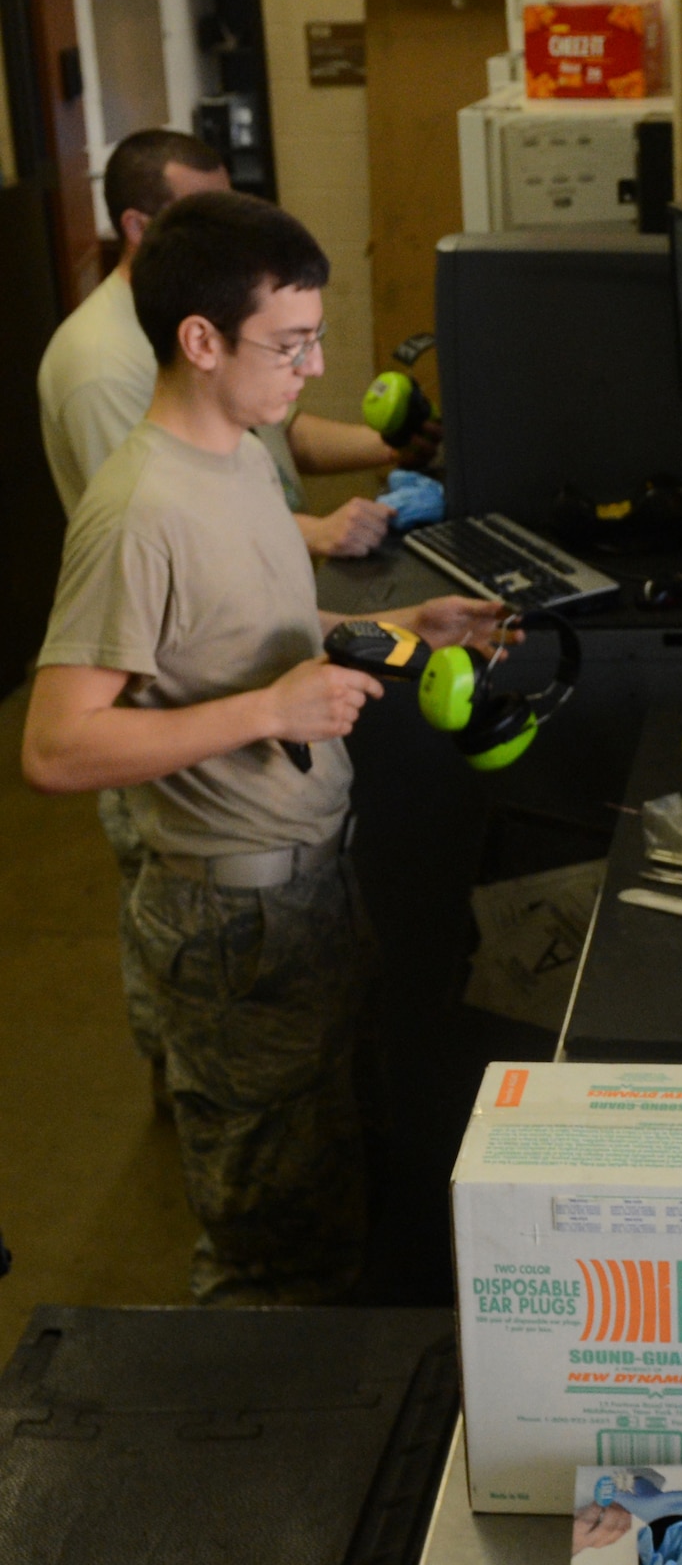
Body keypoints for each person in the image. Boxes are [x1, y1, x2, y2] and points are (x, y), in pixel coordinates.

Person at [22, 190, 506, 1305]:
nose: (313, 366)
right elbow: (54, 747)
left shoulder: (239, 455)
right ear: (201, 340)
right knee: (270, 1250)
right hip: (231, 920)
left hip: (313, 884)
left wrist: (406, 627)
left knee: (337, 1183)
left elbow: (251, 634)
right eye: (289, 345)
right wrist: (266, 715)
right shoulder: (136, 511)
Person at [36, 127, 436, 558]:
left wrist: (391, 445)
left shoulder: (213, 308)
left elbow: (279, 439)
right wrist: (315, 532)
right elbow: (165, 524)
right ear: (137, 227)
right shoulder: (99, 365)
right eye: (204, 217)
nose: (232, 236)